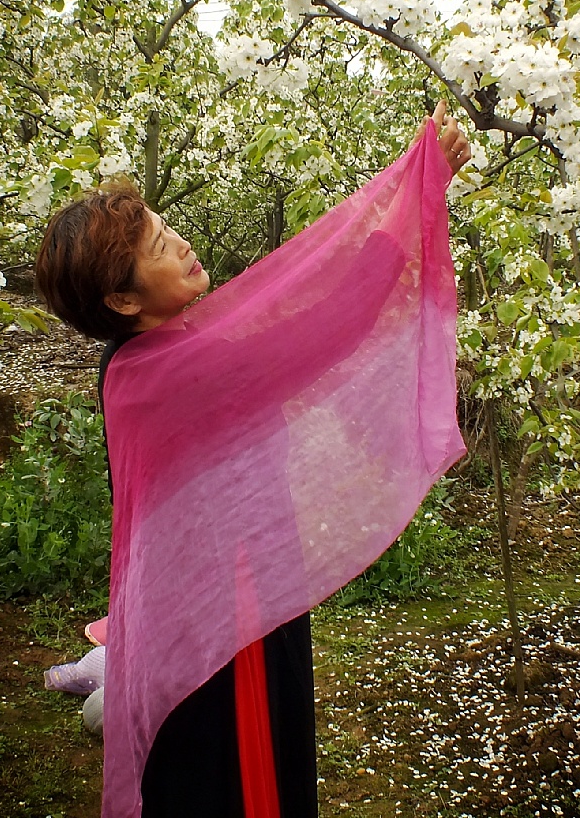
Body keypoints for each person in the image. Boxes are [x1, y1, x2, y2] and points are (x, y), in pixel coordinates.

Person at [33, 102, 471, 818]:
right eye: (159, 247)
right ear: (121, 298)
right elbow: (326, 324)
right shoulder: (168, 375)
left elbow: (296, 326)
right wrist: (418, 189)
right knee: (242, 777)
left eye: (168, 228)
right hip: (226, 616)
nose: (182, 245)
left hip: (221, 599)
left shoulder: (148, 360)